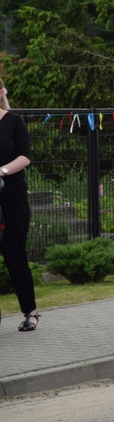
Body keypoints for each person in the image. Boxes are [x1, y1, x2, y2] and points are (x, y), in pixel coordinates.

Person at [0, 77, 39, 332]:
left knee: (14, 256)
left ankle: (30, 311)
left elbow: (24, 156)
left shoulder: (14, 121)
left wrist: (1, 171)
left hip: (11, 198)